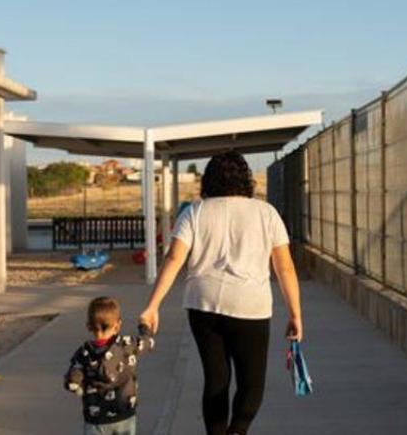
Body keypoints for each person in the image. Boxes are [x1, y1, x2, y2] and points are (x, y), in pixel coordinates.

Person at [139, 151, 303, 435]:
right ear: (246, 179)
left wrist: (153, 306)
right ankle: (237, 431)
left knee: (216, 380)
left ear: (209, 180)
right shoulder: (266, 213)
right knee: (252, 383)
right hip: (250, 306)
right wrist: (295, 314)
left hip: (203, 304)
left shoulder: (195, 211)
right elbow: (284, 268)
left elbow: (174, 259)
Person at [64, 296, 155, 435]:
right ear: (118, 325)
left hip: (95, 418)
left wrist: (76, 384)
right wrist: (145, 327)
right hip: (124, 412)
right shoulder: (127, 345)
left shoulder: (83, 353)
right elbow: (148, 342)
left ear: (89, 326)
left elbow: (72, 382)